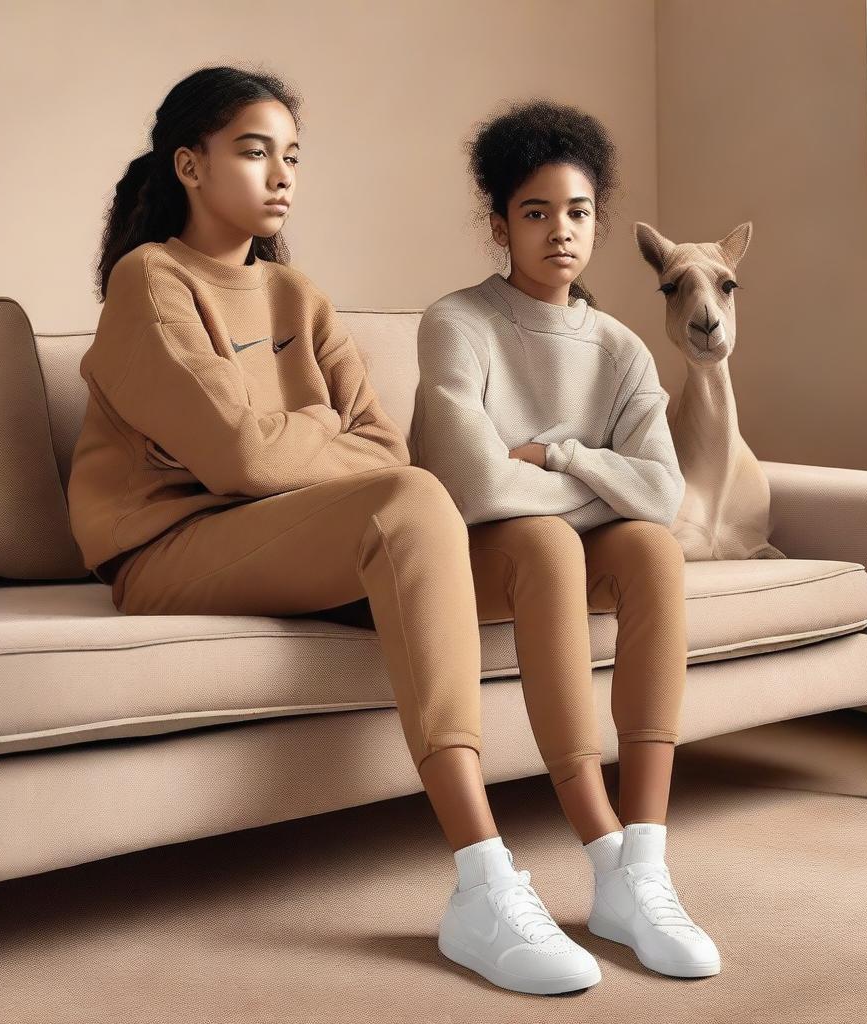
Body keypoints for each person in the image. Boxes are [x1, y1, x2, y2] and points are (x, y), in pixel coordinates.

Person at [66, 66, 602, 996]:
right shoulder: (148, 280)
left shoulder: (297, 296)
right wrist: (318, 435)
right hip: (170, 549)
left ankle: (619, 856)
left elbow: (384, 445)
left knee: (539, 542)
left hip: (294, 534)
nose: (282, 175)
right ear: (189, 165)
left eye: (293, 156)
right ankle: (482, 876)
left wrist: (293, 440)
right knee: (409, 504)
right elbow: (240, 460)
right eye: (254, 150)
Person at [408, 99, 722, 983]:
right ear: (500, 221)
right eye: (536, 212)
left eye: (578, 213)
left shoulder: (621, 350)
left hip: (562, 544)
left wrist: (558, 453)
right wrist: (596, 484)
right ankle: (603, 848)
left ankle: (644, 868)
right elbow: (474, 488)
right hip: (466, 560)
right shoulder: (457, 324)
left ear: (599, 222)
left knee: (653, 551)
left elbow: (664, 497)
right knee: (545, 541)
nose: (560, 232)